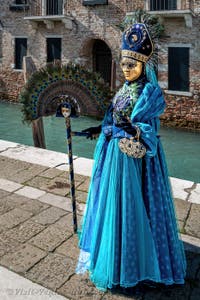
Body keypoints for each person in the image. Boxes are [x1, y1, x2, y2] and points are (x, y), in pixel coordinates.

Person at [76, 23, 186, 292]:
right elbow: (111, 118)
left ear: (143, 64)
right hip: (113, 156)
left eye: (131, 65)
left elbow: (150, 131)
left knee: (135, 208)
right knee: (114, 207)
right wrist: (96, 129)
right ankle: (115, 259)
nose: (126, 69)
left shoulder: (149, 93)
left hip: (135, 163)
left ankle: (138, 263)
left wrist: (133, 129)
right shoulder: (123, 90)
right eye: (124, 65)